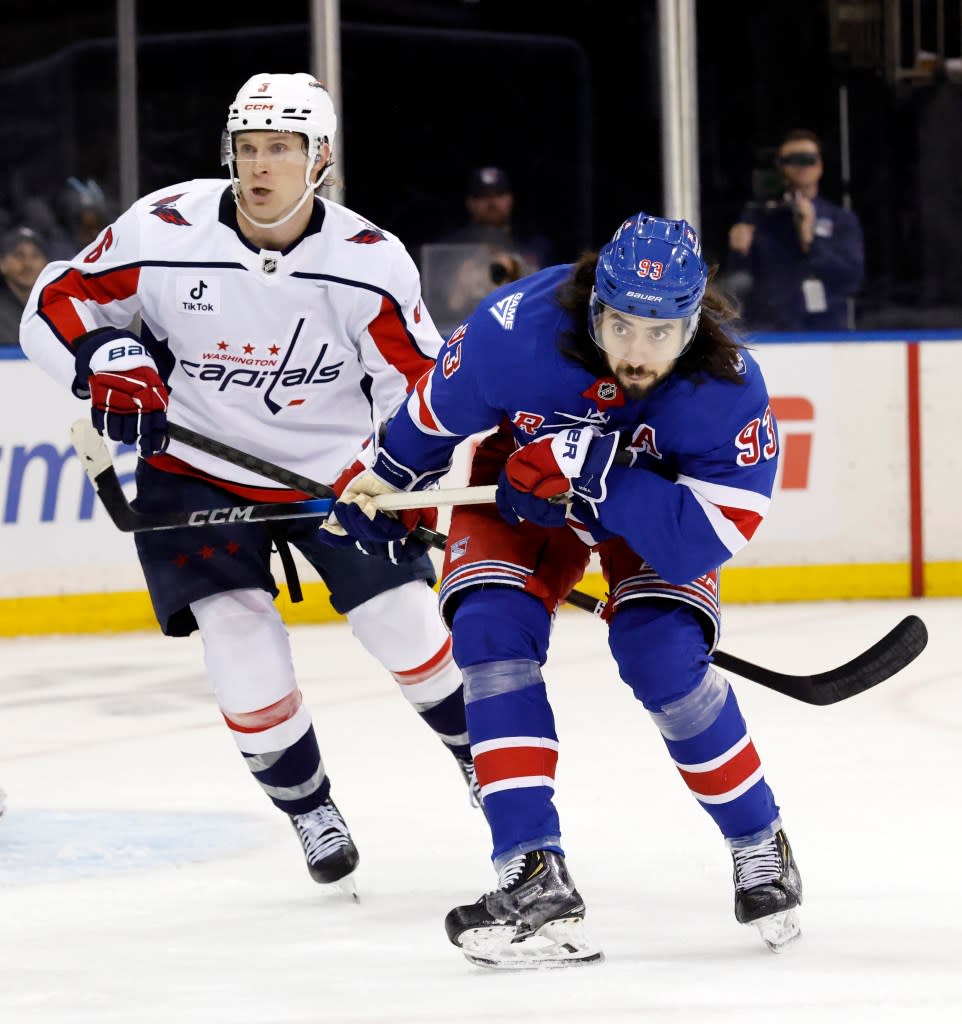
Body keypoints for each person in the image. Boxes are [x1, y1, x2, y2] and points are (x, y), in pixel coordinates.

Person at [20, 72, 480, 895]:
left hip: (340, 474)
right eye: (247, 147)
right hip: (194, 470)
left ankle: (481, 760)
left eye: (280, 148)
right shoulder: (166, 228)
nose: (259, 166)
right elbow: (57, 298)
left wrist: (401, 479)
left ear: (321, 159)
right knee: (236, 632)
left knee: (404, 623)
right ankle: (308, 807)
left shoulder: (369, 263)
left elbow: (415, 390)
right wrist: (103, 359)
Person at [323, 213, 802, 967]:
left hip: (651, 514)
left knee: (662, 655)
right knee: (487, 632)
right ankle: (532, 870)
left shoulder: (726, 390)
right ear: (593, 306)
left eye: (658, 334)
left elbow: (703, 537)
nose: (635, 354)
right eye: (620, 326)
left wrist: (597, 474)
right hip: (522, 492)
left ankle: (758, 840)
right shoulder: (514, 334)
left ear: (694, 322)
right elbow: (428, 416)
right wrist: (383, 483)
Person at [726, 129, 864, 331]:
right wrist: (739, 252)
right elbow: (740, 282)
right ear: (780, 167)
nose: (800, 167)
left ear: (820, 166)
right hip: (770, 332)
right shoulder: (760, 219)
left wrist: (812, 240)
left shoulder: (841, 220)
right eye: (791, 160)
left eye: (808, 159)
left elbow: (851, 280)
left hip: (826, 333)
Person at [0, 226, 47, 348]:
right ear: (2, 263)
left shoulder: (56, 307)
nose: (28, 263)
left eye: (35, 255)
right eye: (18, 255)